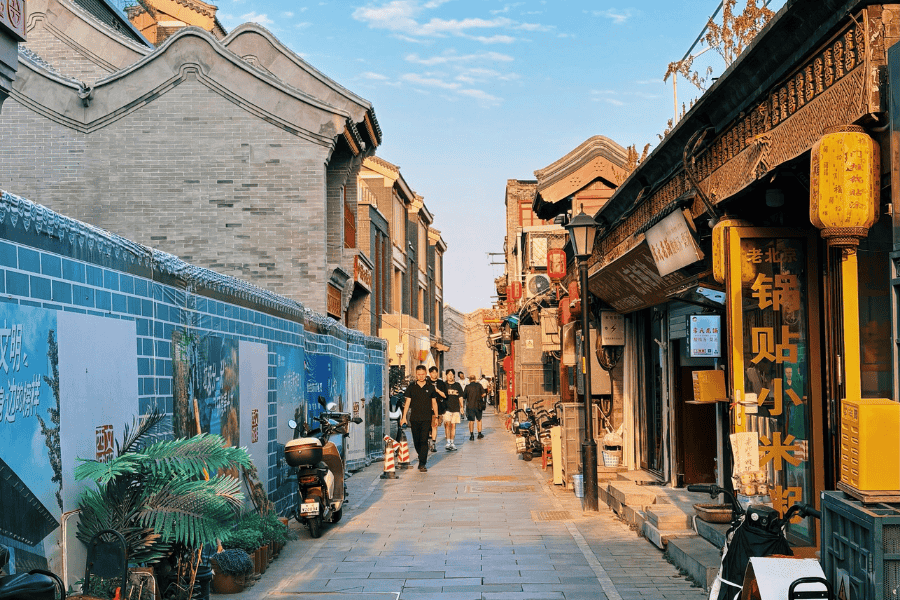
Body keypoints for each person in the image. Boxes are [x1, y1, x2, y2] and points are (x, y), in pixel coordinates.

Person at [401, 365, 438, 472]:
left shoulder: (430, 387)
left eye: (423, 374)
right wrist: (404, 417)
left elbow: (434, 403)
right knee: (416, 441)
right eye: (419, 374)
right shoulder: (411, 387)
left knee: (424, 440)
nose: (421, 376)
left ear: (426, 374)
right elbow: (407, 403)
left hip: (426, 418)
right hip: (414, 418)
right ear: (416, 374)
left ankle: (422, 463)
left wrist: (436, 416)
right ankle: (420, 454)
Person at [428, 366, 448, 452]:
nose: (434, 374)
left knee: (434, 427)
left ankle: (433, 443)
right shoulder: (426, 382)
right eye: (432, 372)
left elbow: (445, 395)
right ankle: (429, 441)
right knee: (427, 427)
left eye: (436, 372)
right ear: (430, 374)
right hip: (427, 408)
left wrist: (436, 390)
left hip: (438, 408)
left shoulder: (441, 383)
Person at [443, 369, 464, 450]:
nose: (450, 376)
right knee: (447, 425)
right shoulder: (444, 385)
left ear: (454, 376)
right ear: (446, 376)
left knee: (453, 426)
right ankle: (448, 443)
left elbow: (460, 397)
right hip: (446, 408)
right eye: (449, 374)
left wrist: (461, 407)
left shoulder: (457, 385)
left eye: (452, 374)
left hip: (455, 408)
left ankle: (452, 442)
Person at [464, 375, 486, 440]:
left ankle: (471, 435)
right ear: (475, 379)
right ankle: (479, 434)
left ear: (469, 380)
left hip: (470, 406)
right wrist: (480, 397)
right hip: (478, 405)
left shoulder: (467, 387)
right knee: (479, 420)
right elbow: (484, 394)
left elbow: (464, 396)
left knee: (471, 421)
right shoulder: (479, 385)